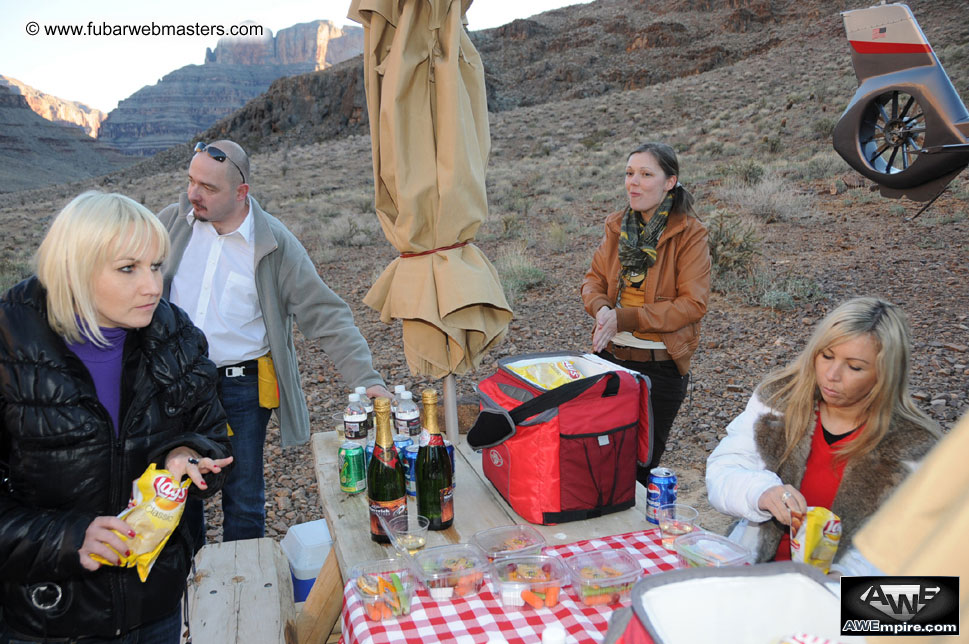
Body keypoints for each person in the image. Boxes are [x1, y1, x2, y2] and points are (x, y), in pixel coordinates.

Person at [0, 191, 233, 642]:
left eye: (156, 266)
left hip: (155, 602)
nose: (151, 286)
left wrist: (187, 453)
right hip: (49, 617)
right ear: (75, 268)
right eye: (128, 268)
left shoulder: (174, 335)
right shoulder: (10, 347)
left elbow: (214, 435)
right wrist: (69, 540)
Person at [158, 139, 391, 542]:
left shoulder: (275, 245)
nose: (193, 194)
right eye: (191, 181)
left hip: (239, 387)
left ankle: (249, 588)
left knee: (243, 494)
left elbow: (325, 314)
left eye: (208, 188)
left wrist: (366, 378)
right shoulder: (170, 223)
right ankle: (188, 583)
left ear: (241, 192)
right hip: (172, 381)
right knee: (177, 489)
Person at [706, 297, 940, 567]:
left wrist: (847, 580)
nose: (831, 374)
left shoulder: (916, 446)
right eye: (826, 356)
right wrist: (760, 491)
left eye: (854, 367)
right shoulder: (778, 401)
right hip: (757, 573)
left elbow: (919, 551)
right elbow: (723, 468)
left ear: (884, 374)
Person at [581, 141, 711, 481]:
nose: (633, 182)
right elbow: (592, 282)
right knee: (599, 462)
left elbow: (692, 304)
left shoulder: (690, 234)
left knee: (639, 470)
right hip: (610, 360)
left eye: (645, 174)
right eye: (629, 173)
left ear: (669, 182)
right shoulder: (616, 226)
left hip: (661, 371)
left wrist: (624, 318)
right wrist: (603, 309)